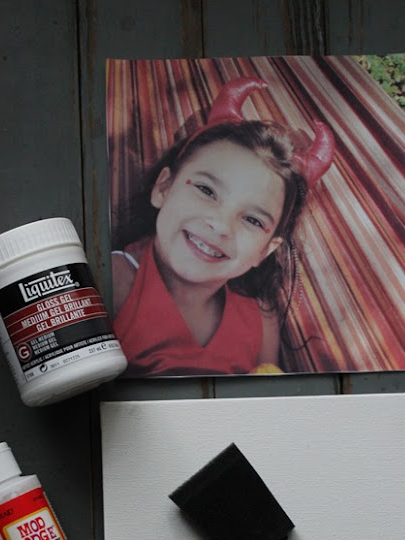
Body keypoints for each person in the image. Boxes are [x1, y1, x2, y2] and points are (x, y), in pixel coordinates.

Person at [111, 77, 334, 377]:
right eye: (206, 190)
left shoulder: (261, 318)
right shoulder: (115, 281)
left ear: (266, 250)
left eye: (253, 220)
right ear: (163, 188)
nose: (220, 225)